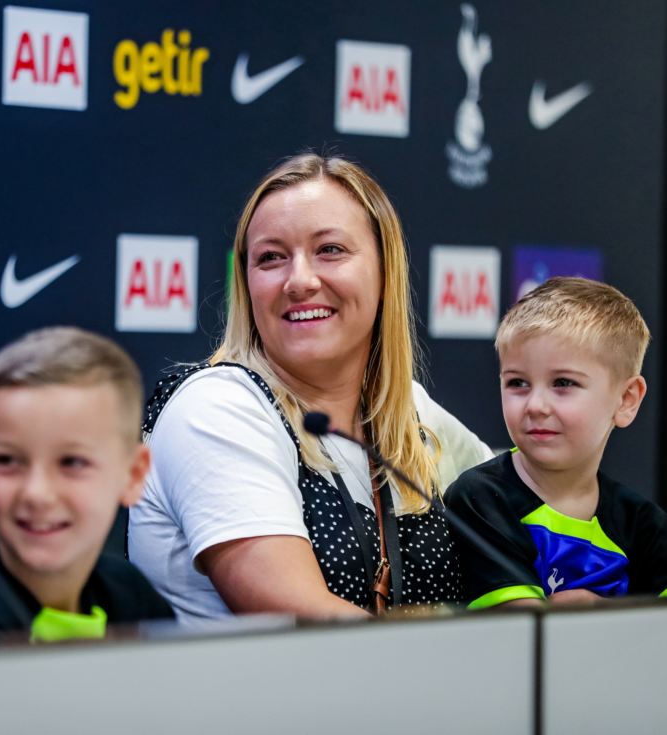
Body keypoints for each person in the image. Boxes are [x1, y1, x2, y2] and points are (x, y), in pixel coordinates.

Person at [129, 153, 492, 624]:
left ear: (385, 272)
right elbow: (303, 620)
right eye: (271, 258)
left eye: (330, 251)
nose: (299, 280)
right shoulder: (217, 406)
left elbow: (529, 499)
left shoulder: (409, 413)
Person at [0, 327, 174, 642]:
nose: (37, 493)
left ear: (133, 475)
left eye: (72, 463)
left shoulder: (131, 595)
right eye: (6, 461)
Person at [446, 277, 667, 609]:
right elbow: (528, 634)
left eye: (563, 383)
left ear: (626, 399)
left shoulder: (644, 523)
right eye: (518, 383)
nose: (535, 405)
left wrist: (596, 608)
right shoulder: (479, 499)